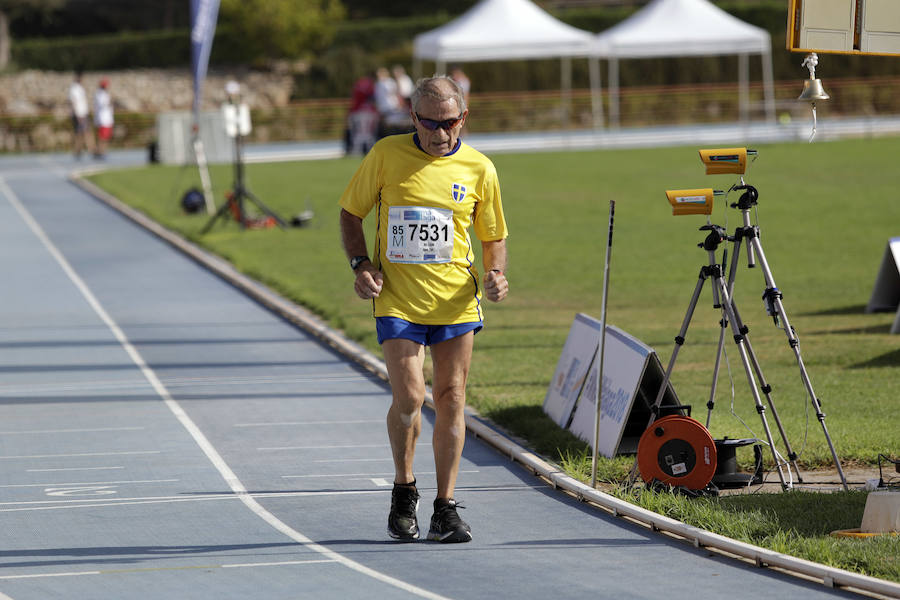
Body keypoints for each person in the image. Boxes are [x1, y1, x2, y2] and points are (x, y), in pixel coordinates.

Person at [339, 76, 509, 544]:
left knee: (452, 398)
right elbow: (350, 214)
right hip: (398, 299)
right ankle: (403, 488)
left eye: (450, 124)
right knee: (412, 397)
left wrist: (496, 274)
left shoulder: (479, 168)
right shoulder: (386, 156)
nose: (440, 134)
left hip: (456, 300)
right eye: (430, 124)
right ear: (412, 118)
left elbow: (494, 236)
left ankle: (445, 506)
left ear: (463, 118)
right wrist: (360, 265)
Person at [68, 70, 93, 158]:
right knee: (84, 132)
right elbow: (73, 102)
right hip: (79, 114)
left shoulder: (80, 88)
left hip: (83, 113)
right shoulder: (74, 88)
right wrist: (77, 114)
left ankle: (78, 150)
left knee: (82, 132)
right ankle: (91, 150)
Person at [92, 77, 114, 159]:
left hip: (106, 119)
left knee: (106, 137)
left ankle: (102, 151)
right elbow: (104, 104)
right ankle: (99, 151)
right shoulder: (100, 94)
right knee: (102, 137)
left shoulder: (102, 94)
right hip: (103, 119)